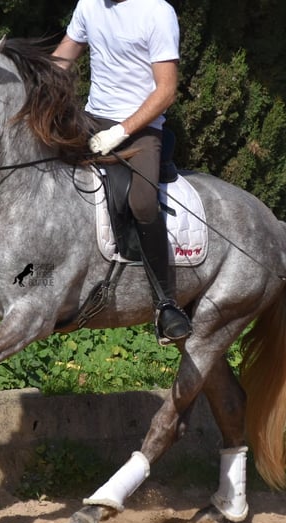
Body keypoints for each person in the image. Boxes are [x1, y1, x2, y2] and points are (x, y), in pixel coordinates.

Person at [52, 0, 191, 343]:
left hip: (140, 127)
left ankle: (165, 304)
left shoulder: (157, 12)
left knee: (142, 202)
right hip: (93, 118)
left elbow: (166, 90)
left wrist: (121, 131)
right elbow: (62, 59)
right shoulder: (89, 5)